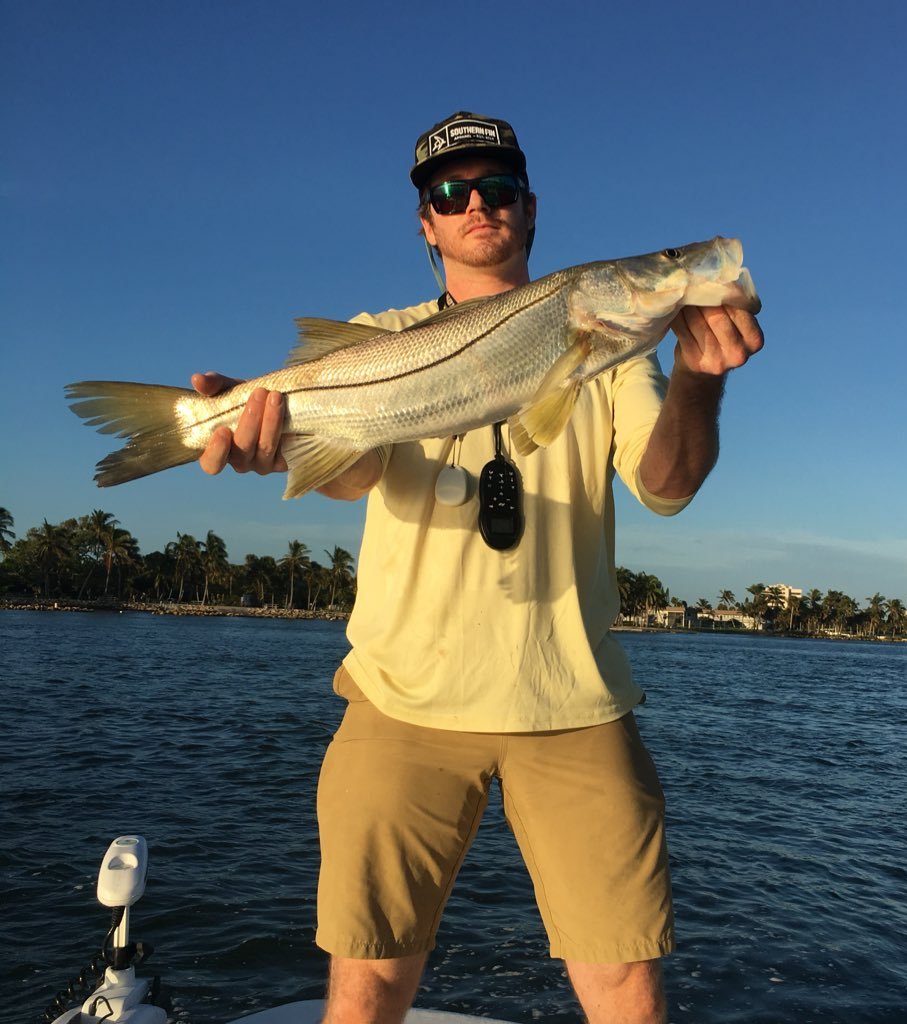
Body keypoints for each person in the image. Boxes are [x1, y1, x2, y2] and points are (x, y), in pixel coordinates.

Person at [193, 111, 763, 1024]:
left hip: (571, 697)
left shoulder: (615, 351)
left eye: (496, 189)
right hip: (401, 696)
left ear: (531, 211)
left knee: (626, 984)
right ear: (427, 223)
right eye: (450, 193)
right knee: (367, 979)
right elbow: (363, 466)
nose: (476, 206)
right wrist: (263, 434)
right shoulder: (380, 337)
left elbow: (667, 483)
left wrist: (700, 375)